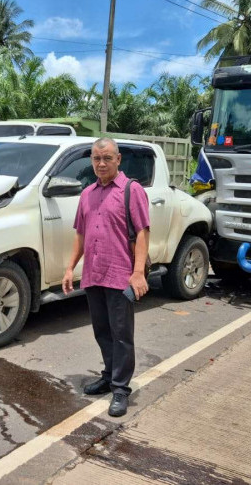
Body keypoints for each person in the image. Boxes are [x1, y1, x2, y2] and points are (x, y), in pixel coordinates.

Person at [62, 137, 150, 417]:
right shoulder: (87, 193)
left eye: (107, 158)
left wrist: (137, 273)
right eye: (96, 158)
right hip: (93, 274)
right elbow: (80, 233)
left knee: (121, 335)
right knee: (102, 332)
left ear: (118, 159)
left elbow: (143, 232)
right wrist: (69, 268)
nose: (101, 163)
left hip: (120, 275)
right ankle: (109, 375)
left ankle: (121, 389)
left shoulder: (131, 190)